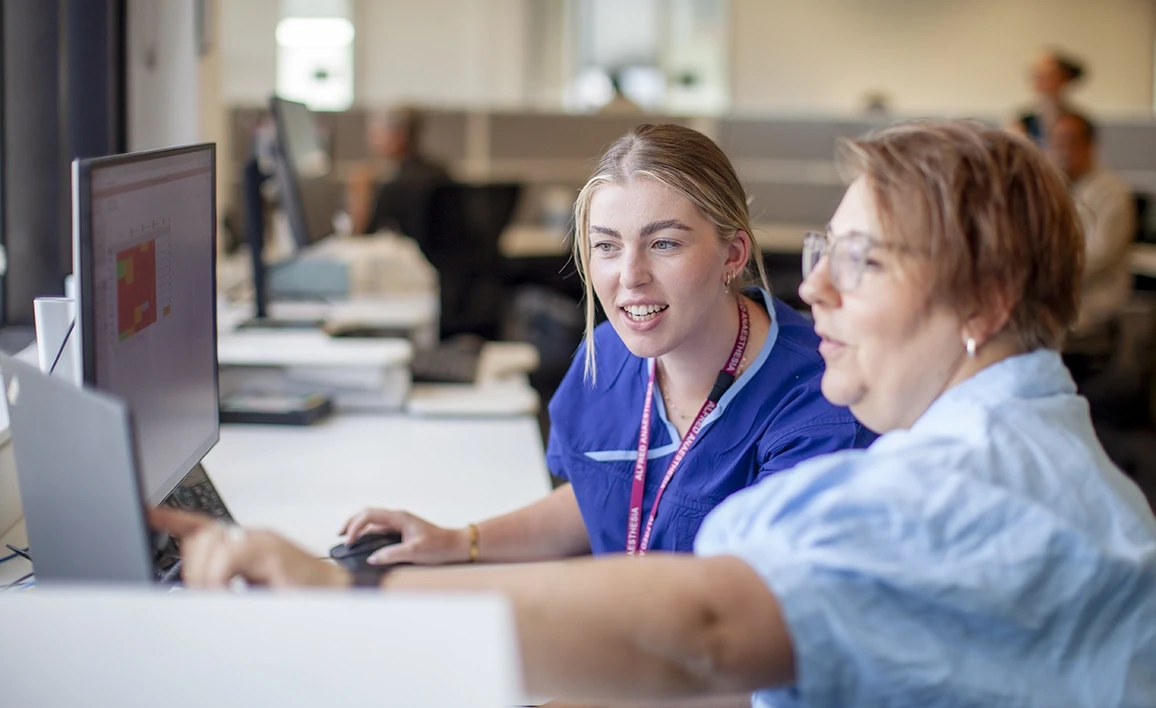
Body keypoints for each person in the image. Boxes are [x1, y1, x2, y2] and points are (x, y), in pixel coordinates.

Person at [154, 120, 1156, 707]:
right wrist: (455, 545)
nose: (814, 296)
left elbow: (709, 622)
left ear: (981, 303)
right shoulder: (1025, 446)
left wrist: (349, 606)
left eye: (865, 263)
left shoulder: (956, 491)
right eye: (823, 257)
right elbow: (610, 507)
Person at [340, 123, 873, 563]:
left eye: (664, 243)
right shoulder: (608, 356)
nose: (630, 276)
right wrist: (461, 541)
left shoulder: (821, 402)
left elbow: (755, 625)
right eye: (607, 247)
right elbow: (599, 500)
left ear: (733, 255)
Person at [1047, 111, 1137, 373]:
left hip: (1091, 310)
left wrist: (1042, 274)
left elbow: (1098, 256)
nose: (1063, 150)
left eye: (1070, 141)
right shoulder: (1053, 188)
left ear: (1089, 145)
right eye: (1056, 141)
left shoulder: (1112, 192)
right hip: (1056, 306)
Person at [346, 105, 450, 241]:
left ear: (400, 137)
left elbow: (365, 236)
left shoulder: (396, 186)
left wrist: (360, 194)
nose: (373, 140)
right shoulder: (440, 171)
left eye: (380, 134)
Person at [1012, 48, 1086, 148]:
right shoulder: (1022, 123)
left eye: (1048, 76)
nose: (1039, 82)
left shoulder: (1077, 124)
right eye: (1037, 76)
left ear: (1064, 78)